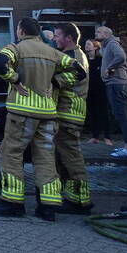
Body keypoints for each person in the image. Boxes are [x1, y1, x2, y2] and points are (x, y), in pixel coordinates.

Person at [0, 17, 86, 222]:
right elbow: (79, 72)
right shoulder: (53, 52)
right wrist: (57, 81)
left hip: (21, 113)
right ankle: (48, 206)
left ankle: (12, 202)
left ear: (22, 30)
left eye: (17, 29)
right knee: (45, 157)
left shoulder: (17, 48)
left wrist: (14, 80)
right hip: (48, 114)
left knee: (11, 153)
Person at [52, 23, 92, 213]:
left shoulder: (72, 58)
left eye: (57, 35)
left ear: (68, 37)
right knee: (63, 159)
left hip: (68, 115)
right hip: (67, 115)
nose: (54, 39)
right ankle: (73, 198)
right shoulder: (78, 55)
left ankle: (82, 201)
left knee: (72, 158)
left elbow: (64, 81)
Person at [97, 26, 127, 158]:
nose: (96, 33)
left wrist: (109, 68)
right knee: (121, 115)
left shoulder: (112, 43)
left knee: (121, 115)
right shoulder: (106, 45)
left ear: (107, 34)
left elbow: (121, 57)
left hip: (117, 84)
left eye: (98, 31)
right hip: (115, 83)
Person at [84, 39, 112, 145]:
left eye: (88, 44)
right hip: (89, 90)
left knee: (103, 113)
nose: (86, 46)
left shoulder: (101, 60)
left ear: (95, 47)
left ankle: (107, 137)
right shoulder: (85, 60)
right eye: (86, 44)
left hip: (101, 90)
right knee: (92, 113)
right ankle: (95, 136)